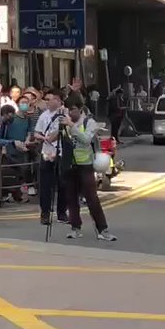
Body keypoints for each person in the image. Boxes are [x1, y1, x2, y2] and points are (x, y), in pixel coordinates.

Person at [58, 99, 118, 242]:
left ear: (80, 109)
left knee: (91, 198)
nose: (70, 112)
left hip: (85, 165)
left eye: (73, 109)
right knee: (71, 198)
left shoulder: (89, 123)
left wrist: (72, 126)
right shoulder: (64, 122)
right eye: (68, 109)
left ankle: (102, 229)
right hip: (70, 164)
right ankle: (75, 227)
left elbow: (86, 140)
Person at [34, 90, 68, 225]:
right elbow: (36, 133)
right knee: (46, 185)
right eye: (47, 99)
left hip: (60, 152)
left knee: (63, 184)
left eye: (52, 99)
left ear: (59, 101)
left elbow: (63, 132)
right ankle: (45, 213)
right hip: (47, 152)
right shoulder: (43, 116)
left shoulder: (64, 115)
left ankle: (62, 212)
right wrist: (43, 138)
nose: (49, 102)